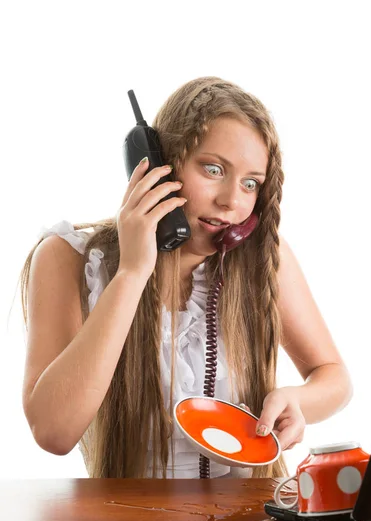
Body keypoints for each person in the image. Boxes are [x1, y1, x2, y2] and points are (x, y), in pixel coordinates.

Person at [19, 77, 352, 479]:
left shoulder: (261, 257)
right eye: (213, 169)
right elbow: (54, 433)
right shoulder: (69, 257)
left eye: (250, 183)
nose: (232, 201)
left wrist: (298, 400)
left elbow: (333, 376)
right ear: (161, 166)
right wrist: (132, 272)